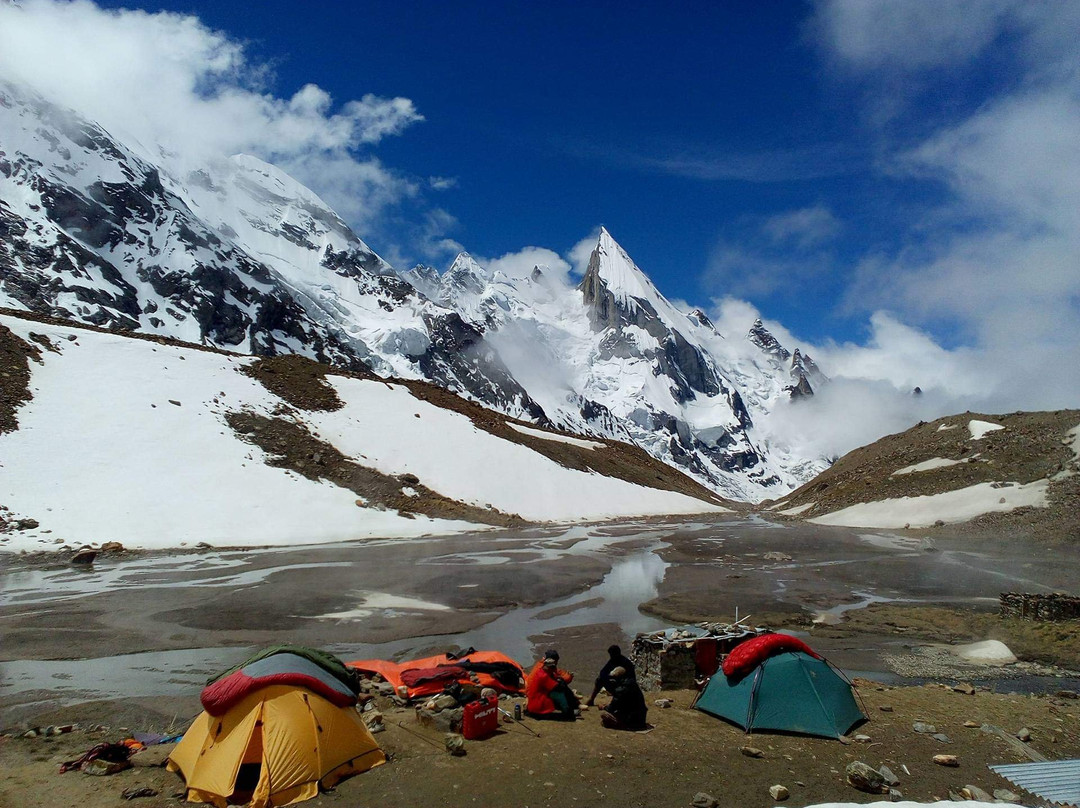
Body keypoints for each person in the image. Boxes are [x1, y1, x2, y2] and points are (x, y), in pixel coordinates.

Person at [525, 649, 579, 720]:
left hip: (535, 697)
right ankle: (568, 711)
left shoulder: (541, 670)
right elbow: (557, 687)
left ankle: (572, 707)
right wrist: (565, 680)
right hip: (538, 704)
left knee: (560, 688)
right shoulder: (544, 675)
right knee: (560, 695)